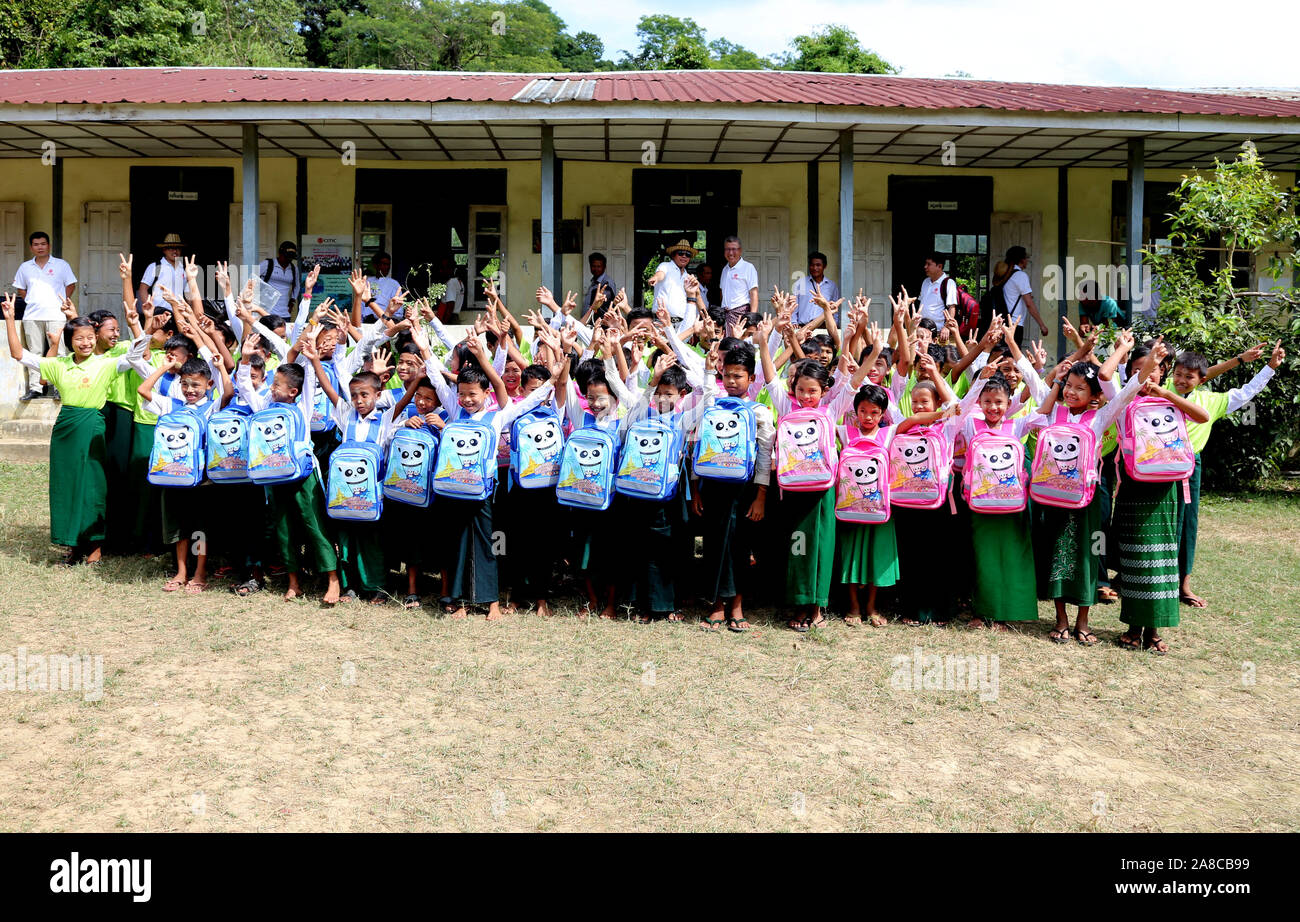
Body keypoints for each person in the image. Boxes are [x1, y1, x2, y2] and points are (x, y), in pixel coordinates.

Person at [4, 293, 120, 565]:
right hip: (65, 428)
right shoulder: (59, 364)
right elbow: (18, 354)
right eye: (79, 338)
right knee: (66, 484)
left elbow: (138, 355)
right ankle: (72, 544)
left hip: (92, 426)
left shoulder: (106, 362)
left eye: (90, 337)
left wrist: (142, 324)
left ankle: (95, 546)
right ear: (70, 342)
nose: (86, 342)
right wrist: (10, 319)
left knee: (92, 484)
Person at [1113, 339, 1212, 655]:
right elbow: (1107, 377)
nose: (1148, 376)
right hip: (1133, 487)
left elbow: (1203, 416)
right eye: (1140, 370)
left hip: (1166, 488)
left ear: (1165, 373)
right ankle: (1132, 626)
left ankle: (1153, 630)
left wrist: (1169, 395)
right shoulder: (1125, 400)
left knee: (1162, 559)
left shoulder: (1175, 400)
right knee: (1136, 558)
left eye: (1155, 370)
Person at [1171, 341, 1284, 608]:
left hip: (1188, 467)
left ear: (1201, 380)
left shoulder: (1212, 400)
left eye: (1189, 377)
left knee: (1187, 523)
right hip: (1153, 466)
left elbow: (1247, 393)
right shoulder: (1162, 389)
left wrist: (1269, 368)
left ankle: (1183, 583)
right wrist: (1239, 359)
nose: (1182, 380)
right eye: (1178, 374)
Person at [137, 352, 233, 594]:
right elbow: (144, 390)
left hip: (201, 481)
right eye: (184, 384)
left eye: (196, 385)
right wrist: (165, 367)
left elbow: (229, 394)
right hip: (173, 477)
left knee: (199, 527)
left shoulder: (211, 407)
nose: (189, 390)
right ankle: (181, 571)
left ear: (208, 385)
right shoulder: (172, 405)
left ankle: (200, 572)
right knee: (178, 527)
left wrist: (221, 368)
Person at [11, 230, 77, 401]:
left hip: (57, 314)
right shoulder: (25, 267)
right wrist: (32, 300)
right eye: (36, 244)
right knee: (34, 353)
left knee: (60, 352)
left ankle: (58, 387)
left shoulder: (61, 265)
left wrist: (62, 300)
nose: (40, 247)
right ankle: (36, 388)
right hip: (32, 315)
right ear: (31, 247)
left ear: (48, 245)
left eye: (43, 244)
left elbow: (70, 285)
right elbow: (21, 289)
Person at [1001, 246, 1048, 344]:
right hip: (1014, 324)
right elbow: (1029, 304)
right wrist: (1042, 325)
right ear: (1022, 260)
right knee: (1012, 356)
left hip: (1003, 322)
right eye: (1026, 257)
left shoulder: (1005, 274)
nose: (1027, 260)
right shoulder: (1020, 276)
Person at [138, 233, 190, 311]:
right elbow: (143, 289)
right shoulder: (155, 267)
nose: (175, 251)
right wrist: (151, 311)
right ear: (164, 250)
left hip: (179, 313)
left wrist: (188, 311)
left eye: (178, 248)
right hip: (160, 314)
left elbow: (188, 294)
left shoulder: (185, 268)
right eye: (171, 248)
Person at [719, 236, 759, 331]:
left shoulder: (748, 268)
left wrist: (752, 319)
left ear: (740, 250)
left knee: (739, 344)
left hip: (741, 315)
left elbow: (754, 294)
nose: (731, 253)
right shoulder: (725, 270)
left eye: (734, 249)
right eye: (728, 249)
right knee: (726, 344)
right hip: (725, 315)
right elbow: (722, 293)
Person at [648, 239, 694, 322]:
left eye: (687, 254)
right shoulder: (665, 266)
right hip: (662, 321)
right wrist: (655, 278)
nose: (684, 256)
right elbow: (660, 274)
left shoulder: (687, 276)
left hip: (681, 322)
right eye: (680, 253)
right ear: (673, 255)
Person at [791, 252, 840, 327]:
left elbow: (835, 309)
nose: (814, 268)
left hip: (824, 329)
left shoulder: (832, 286)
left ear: (824, 266)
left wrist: (834, 326)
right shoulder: (800, 284)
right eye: (812, 265)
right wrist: (793, 322)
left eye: (818, 265)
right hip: (803, 328)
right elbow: (794, 305)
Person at [259, 241, 301, 317]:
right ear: (280, 254)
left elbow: (296, 286)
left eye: (290, 258)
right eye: (286, 257)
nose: (288, 260)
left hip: (284, 312)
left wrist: (292, 301)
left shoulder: (294, 269)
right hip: (266, 311)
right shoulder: (267, 264)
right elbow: (252, 279)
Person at [916, 251, 957, 328]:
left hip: (939, 330)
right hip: (922, 328)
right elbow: (922, 304)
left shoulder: (949, 283)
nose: (925, 267)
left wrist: (947, 328)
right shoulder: (925, 281)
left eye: (929, 264)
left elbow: (952, 307)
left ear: (939, 266)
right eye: (925, 264)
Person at [363, 252, 401, 321]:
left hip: (386, 321)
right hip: (367, 321)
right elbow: (361, 305)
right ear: (375, 265)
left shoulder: (394, 284)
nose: (385, 267)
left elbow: (398, 313)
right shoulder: (367, 282)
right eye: (382, 264)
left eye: (387, 264)